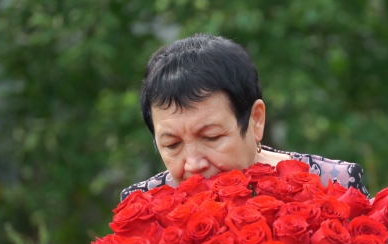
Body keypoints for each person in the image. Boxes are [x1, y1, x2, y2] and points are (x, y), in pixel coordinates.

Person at [120, 33, 369, 201]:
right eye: (172, 144)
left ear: (256, 120)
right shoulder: (143, 206)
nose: (194, 165)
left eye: (211, 136)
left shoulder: (336, 185)